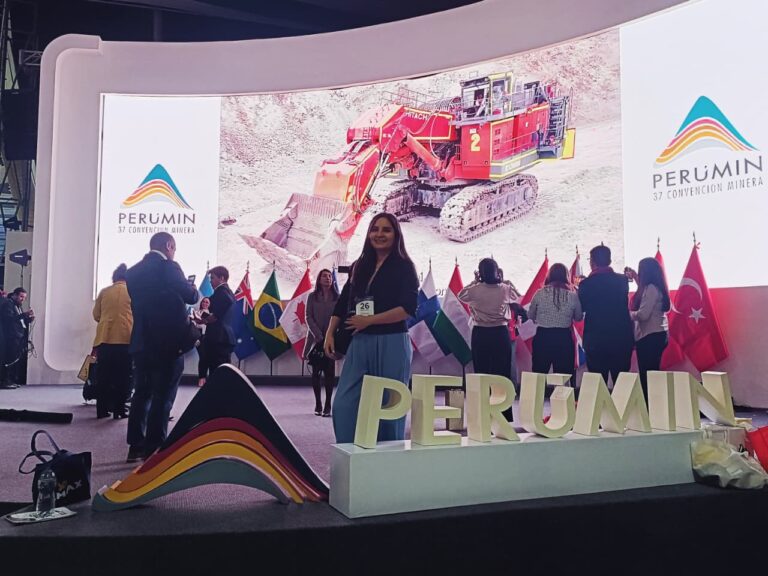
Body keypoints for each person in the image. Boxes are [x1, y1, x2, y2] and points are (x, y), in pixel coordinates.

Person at [324, 213, 418, 443]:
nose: (379, 234)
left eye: (386, 229)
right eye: (375, 229)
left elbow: (407, 309)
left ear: (396, 235)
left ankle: (388, 458)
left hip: (392, 341)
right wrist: (329, 333)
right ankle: (350, 452)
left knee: (390, 407)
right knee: (344, 404)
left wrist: (370, 320)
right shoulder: (359, 266)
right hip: (360, 340)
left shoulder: (404, 267)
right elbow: (343, 302)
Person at [125, 232, 199, 462]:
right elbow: (191, 297)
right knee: (163, 397)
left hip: (142, 342)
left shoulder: (132, 272)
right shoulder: (169, 267)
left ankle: (135, 446)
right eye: (174, 248)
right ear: (168, 245)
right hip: (168, 344)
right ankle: (154, 450)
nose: (174, 253)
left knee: (141, 394)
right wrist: (192, 286)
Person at [458, 258, 521, 419]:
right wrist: (504, 280)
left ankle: (483, 413)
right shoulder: (505, 288)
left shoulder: (475, 289)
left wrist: (475, 281)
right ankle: (504, 414)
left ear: (480, 273)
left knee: (482, 373)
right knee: (502, 374)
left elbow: (461, 295)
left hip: (481, 333)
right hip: (500, 333)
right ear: (497, 271)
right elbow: (516, 296)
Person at [577, 245, 634, 387]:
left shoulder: (586, 284)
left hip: (596, 341)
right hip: (621, 339)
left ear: (592, 262)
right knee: (622, 385)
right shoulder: (622, 281)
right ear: (609, 260)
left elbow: (582, 308)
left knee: (598, 385)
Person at [528, 263, 583, 387]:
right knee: (563, 377)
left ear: (549, 276)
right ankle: (562, 399)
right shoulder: (572, 296)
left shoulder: (539, 293)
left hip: (543, 337)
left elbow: (530, 315)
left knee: (539, 376)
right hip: (563, 339)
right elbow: (578, 317)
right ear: (566, 276)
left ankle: (537, 399)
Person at [92, 263, 133, 419]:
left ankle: (102, 410)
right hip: (125, 339)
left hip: (105, 338)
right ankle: (119, 410)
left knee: (103, 376)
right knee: (123, 376)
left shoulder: (104, 292)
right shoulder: (132, 292)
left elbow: (96, 315)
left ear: (114, 278)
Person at [625, 258, 670, 397]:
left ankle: (649, 404)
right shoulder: (657, 286)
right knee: (652, 374)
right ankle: (654, 403)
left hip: (650, 336)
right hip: (658, 333)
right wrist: (635, 277)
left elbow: (643, 315)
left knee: (647, 376)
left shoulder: (650, 288)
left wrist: (626, 314)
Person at [304, 269, 339, 417]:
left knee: (329, 373)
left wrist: (330, 335)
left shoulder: (337, 297)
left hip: (331, 339)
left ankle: (328, 404)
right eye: (324, 276)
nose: (328, 278)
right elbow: (308, 317)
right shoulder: (312, 296)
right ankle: (318, 403)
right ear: (319, 279)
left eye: (330, 276)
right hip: (316, 339)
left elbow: (340, 316)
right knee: (316, 373)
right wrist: (318, 335)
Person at [197, 266, 235, 386]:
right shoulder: (229, 292)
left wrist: (203, 320)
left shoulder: (221, 292)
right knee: (222, 372)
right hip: (225, 337)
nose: (210, 281)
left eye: (212, 278)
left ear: (221, 278)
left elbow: (216, 315)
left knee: (216, 372)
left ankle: (217, 395)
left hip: (217, 338)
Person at [0, 287, 34, 389]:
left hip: (18, 335)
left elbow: (19, 321)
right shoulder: (8, 304)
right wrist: (23, 315)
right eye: (21, 297)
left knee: (15, 360)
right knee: (9, 359)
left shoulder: (18, 306)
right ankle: (5, 381)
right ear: (15, 295)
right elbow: (8, 319)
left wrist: (28, 319)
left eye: (24, 298)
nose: (22, 299)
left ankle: (11, 380)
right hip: (11, 336)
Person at [192, 297, 211, 387]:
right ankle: (201, 378)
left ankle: (204, 378)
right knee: (202, 357)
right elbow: (194, 326)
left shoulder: (211, 314)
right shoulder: (196, 312)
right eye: (203, 301)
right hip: (198, 337)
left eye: (207, 302)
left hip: (208, 337)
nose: (205, 303)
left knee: (206, 358)